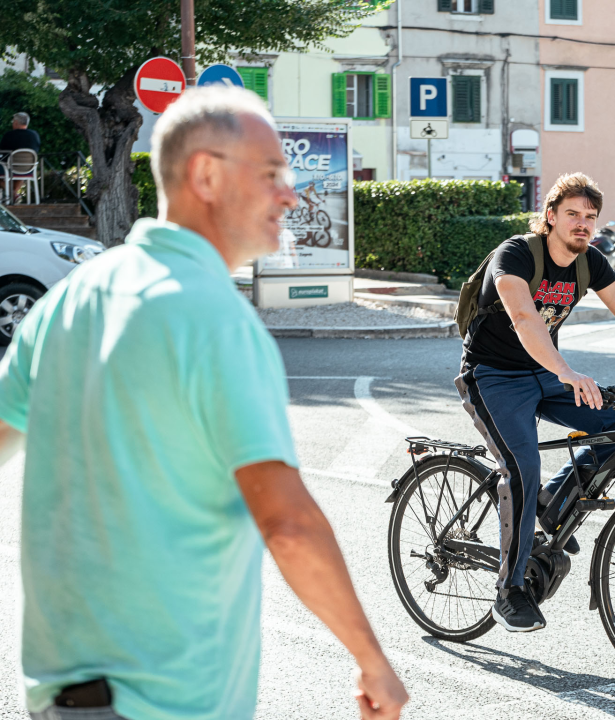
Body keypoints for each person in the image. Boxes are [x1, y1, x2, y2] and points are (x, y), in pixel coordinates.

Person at [0, 87, 407, 720]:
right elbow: (289, 523)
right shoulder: (217, 320)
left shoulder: (71, 299)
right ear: (207, 175)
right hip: (165, 700)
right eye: (272, 174)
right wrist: (373, 661)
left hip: (61, 698)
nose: (290, 195)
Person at [455, 173, 615, 633]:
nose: (582, 224)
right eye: (572, 214)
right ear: (550, 217)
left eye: (590, 217)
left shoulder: (589, 262)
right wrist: (567, 372)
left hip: (545, 371)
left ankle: (552, 503)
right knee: (522, 465)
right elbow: (524, 318)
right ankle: (509, 592)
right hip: (492, 376)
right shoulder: (516, 254)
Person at [0, 112, 41, 202]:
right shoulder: (35, 135)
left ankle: (12, 193)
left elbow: (2, 153)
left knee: (6, 170)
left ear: (15, 123)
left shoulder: (9, 135)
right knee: (20, 172)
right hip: (29, 168)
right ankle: (14, 194)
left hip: (10, 167)